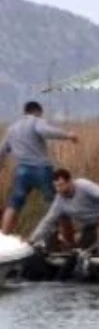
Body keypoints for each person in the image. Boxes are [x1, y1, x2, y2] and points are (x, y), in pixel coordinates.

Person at [0, 100, 78, 234]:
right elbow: (45, 131)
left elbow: (2, 150)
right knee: (58, 203)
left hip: (21, 170)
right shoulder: (37, 121)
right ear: (38, 111)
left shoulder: (12, 129)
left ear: (25, 112)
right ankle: (68, 241)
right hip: (41, 169)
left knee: (14, 205)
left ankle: (3, 239)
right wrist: (68, 135)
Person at [29, 168, 99, 254]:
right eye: (56, 186)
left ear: (70, 181)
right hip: (92, 224)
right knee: (86, 247)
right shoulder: (59, 201)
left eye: (61, 185)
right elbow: (47, 221)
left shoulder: (83, 185)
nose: (58, 189)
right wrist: (32, 240)